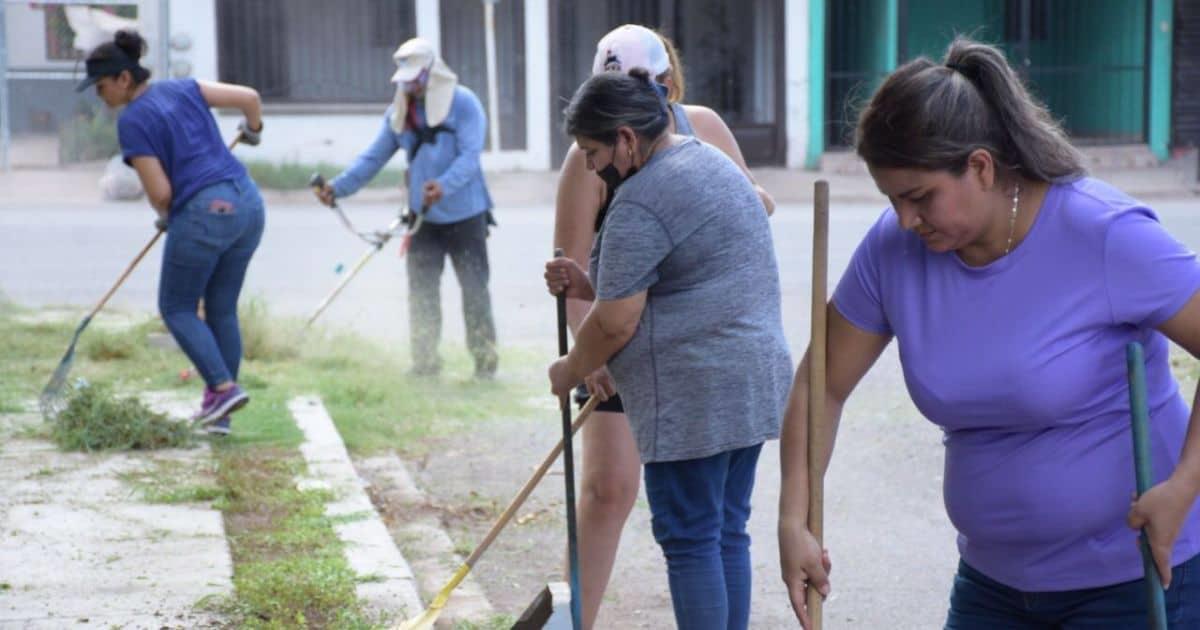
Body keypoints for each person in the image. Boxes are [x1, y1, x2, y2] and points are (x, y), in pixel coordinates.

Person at [778, 36, 1200, 629]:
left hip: (1133, 580)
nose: (904, 219)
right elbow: (821, 385)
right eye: (892, 199)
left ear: (980, 166)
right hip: (994, 586)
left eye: (919, 197)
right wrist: (794, 519)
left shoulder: (1102, 235)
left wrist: (1183, 485)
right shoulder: (893, 249)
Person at [546, 68, 792, 630]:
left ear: (626, 140)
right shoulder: (710, 163)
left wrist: (569, 370)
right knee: (726, 529)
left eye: (591, 151)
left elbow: (614, 324)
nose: (588, 166)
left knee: (689, 538)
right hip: (751, 381)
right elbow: (684, 273)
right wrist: (587, 282)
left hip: (697, 394)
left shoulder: (640, 199)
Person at [79, 30, 266, 436]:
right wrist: (254, 130)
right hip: (248, 204)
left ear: (123, 80)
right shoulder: (185, 88)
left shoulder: (132, 120)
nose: (100, 95)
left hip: (205, 212)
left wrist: (169, 215)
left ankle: (222, 387)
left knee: (177, 308)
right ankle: (221, 414)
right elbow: (250, 98)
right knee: (220, 310)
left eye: (101, 86)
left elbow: (161, 192)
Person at [314, 37, 497, 379]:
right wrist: (337, 188)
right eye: (406, 80)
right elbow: (372, 158)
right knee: (422, 294)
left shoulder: (465, 103)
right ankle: (425, 363)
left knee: (474, 291)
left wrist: (443, 185)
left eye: (416, 78)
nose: (411, 86)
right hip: (422, 220)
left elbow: (471, 158)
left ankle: (485, 364)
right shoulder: (399, 113)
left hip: (466, 216)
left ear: (432, 72)